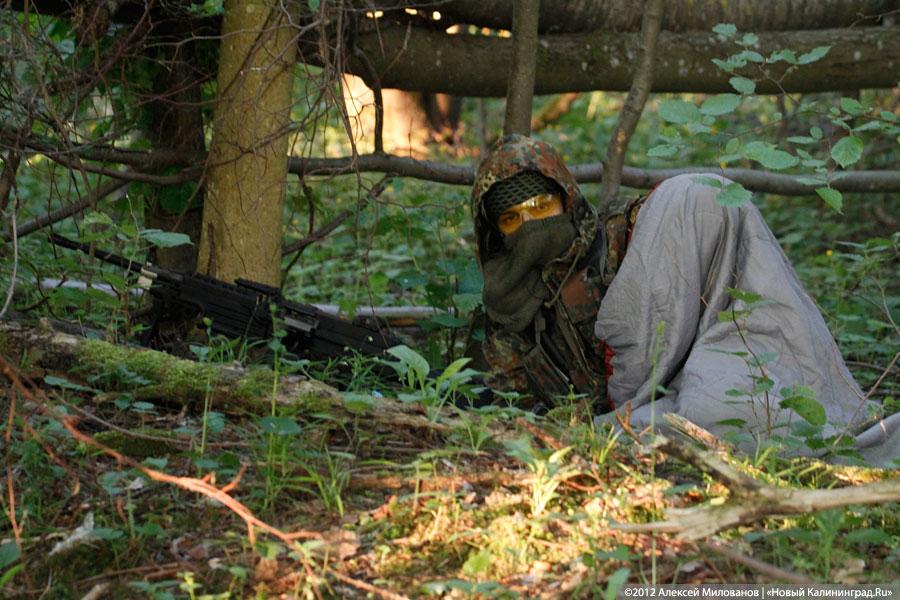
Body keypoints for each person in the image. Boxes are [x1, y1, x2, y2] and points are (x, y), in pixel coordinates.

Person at [471, 134, 898, 465]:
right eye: (511, 218)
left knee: (731, 409)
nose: (529, 225)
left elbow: (690, 220)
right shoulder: (508, 300)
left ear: (565, 198)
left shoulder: (623, 238)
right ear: (496, 232)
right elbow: (511, 404)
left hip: (698, 380)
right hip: (620, 424)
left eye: (540, 206)